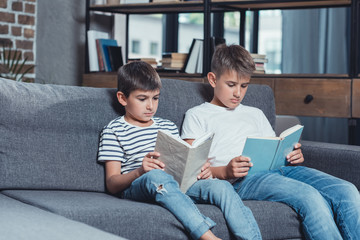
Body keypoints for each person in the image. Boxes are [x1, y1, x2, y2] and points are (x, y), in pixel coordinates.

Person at [181, 44, 360, 240]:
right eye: (231, 85)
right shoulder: (198, 115)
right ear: (213, 79)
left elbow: (272, 148)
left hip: (281, 170)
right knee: (310, 197)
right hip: (242, 180)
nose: (238, 94)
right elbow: (191, 168)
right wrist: (225, 171)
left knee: (347, 191)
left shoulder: (255, 113)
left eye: (244, 85)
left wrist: (290, 154)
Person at [97, 61, 263, 240]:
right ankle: (207, 236)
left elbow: (181, 159)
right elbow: (112, 184)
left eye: (156, 98)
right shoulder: (114, 130)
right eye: (142, 99)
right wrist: (140, 171)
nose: (150, 106)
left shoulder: (167, 126)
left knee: (221, 186)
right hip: (140, 185)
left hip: (178, 184)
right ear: (123, 98)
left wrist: (200, 167)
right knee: (156, 176)